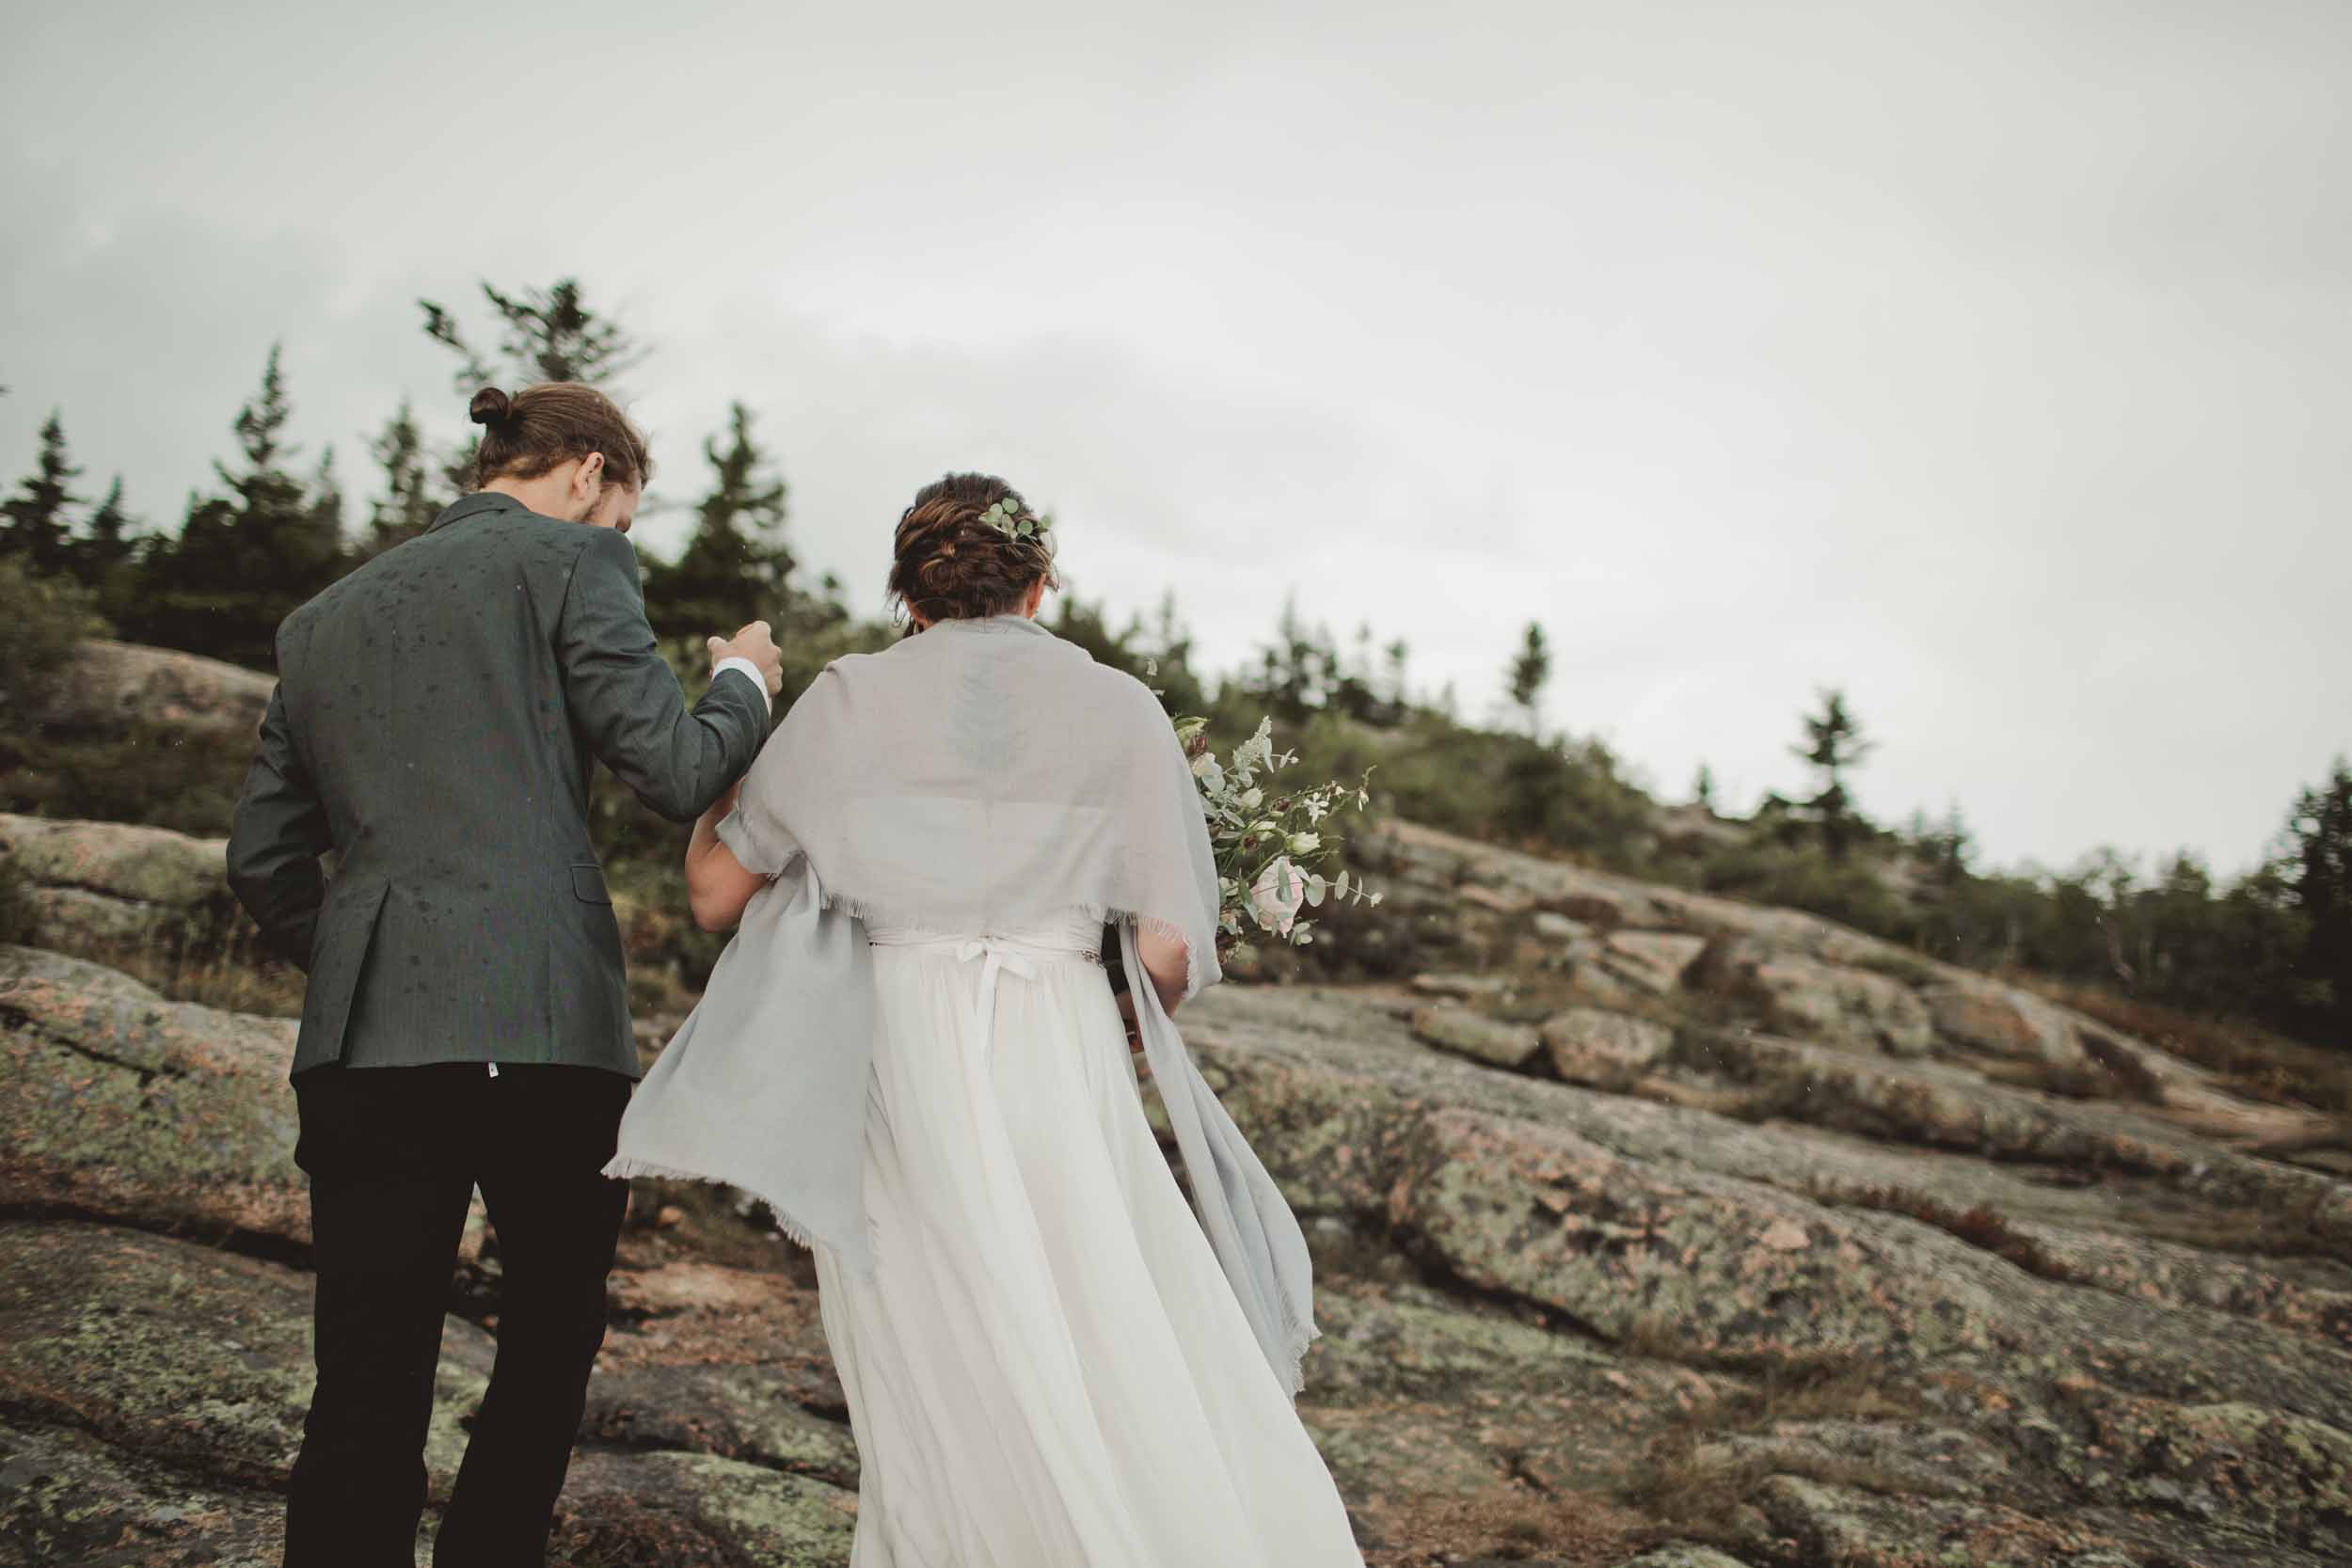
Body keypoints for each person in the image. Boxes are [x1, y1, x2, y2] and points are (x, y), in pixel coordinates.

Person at [605, 472, 1367, 1566]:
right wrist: (1102, 999)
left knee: (929, 1325)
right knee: (1097, 1293)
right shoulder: (1119, 708)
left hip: (896, 1037)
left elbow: (718, 896)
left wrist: (734, 759)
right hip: (1054, 1032)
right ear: (1040, 585)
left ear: (908, 597)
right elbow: (1166, 946)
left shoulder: (849, 698)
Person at [225, 382, 784, 1568]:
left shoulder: (321, 617)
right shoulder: (573, 563)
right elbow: (677, 766)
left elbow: (263, 860)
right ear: (586, 473)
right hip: (543, 1030)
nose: (615, 540)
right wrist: (745, 679)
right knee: (545, 1337)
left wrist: (365, 958)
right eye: (622, 517)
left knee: (364, 1360)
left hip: (363, 1040)